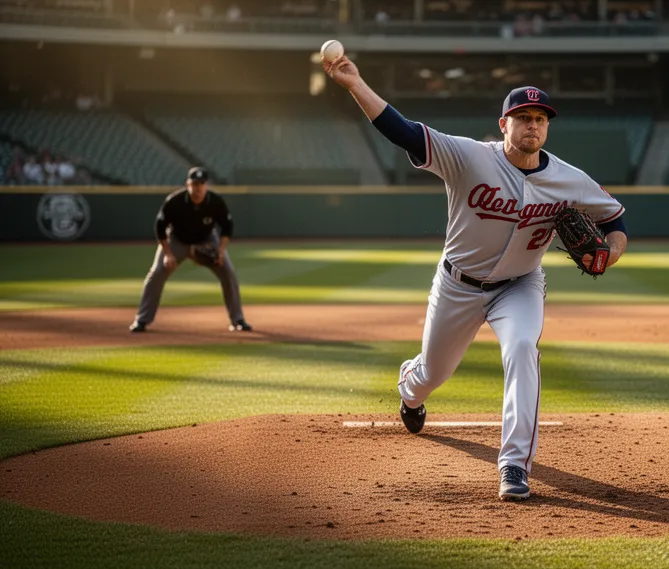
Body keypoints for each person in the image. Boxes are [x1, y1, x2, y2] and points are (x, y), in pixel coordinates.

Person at [322, 56, 628, 501]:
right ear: (503, 124)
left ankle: (514, 466)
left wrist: (613, 253)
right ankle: (410, 392)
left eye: (541, 119)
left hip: (520, 285)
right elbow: (403, 130)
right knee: (431, 373)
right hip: (457, 286)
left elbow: (618, 217)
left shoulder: (569, 179)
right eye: (523, 117)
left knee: (523, 348)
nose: (533, 126)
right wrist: (355, 84)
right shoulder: (468, 156)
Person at [129, 167, 251, 333]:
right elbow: (160, 227)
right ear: (188, 184)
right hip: (177, 240)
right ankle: (141, 319)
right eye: (194, 184)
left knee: (228, 272)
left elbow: (227, 228)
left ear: (206, 186)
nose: (197, 188)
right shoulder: (175, 201)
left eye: (201, 184)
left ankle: (238, 320)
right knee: (157, 273)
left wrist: (220, 251)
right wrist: (168, 254)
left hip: (207, 240)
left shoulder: (215, 202)